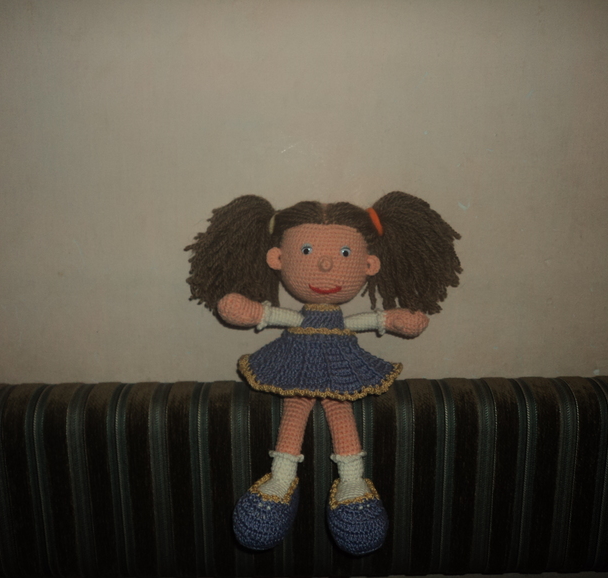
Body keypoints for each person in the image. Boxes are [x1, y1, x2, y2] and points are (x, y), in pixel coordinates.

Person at [186, 192, 461, 555]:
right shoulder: (298, 310)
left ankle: (352, 483)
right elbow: (268, 315)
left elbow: (372, 320)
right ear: (277, 258)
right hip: (295, 362)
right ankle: (281, 478)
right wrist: (254, 311)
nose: (327, 265)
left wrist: (392, 318)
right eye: (307, 251)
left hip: (340, 365)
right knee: (295, 408)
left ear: (369, 264)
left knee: (339, 408)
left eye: (345, 254)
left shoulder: (342, 314)